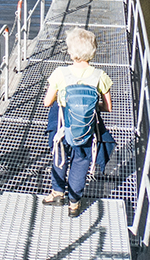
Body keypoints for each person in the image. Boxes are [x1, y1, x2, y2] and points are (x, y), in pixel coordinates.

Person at [41, 27, 112, 217]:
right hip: (86, 127)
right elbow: (108, 107)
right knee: (81, 161)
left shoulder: (60, 73)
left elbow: (47, 102)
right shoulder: (100, 76)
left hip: (62, 123)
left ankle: (57, 193)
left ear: (72, 53)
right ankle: (74, 203)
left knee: (59, 155)